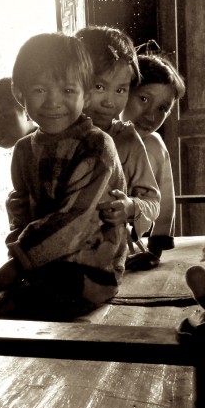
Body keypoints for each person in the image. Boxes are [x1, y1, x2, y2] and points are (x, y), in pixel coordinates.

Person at [0, 32, 128, 322]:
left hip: (89, 271)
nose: (53, 102)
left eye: (67, 90)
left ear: (86, 94)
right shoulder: (25, 149)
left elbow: (77, 218)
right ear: (20, 94)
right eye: (39, 90)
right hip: (38, 267)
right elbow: (19, 205)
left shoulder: (97, 146)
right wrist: (19, 256)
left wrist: (16, 266)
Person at [75, 25, 161, 245]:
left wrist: (130, 207)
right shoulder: (52, 136)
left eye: (120, 90)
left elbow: (152, 201)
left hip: (109, 251)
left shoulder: (126, 139)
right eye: (99, 86)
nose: (109, 101)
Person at [121, 50, 187, 269]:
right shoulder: (97, 137)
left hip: (126, 243)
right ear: (124, 91)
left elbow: (165, 202)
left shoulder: (153, 146)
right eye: (144, 99)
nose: (151, 115)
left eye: (162, 108)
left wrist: (154, 251)